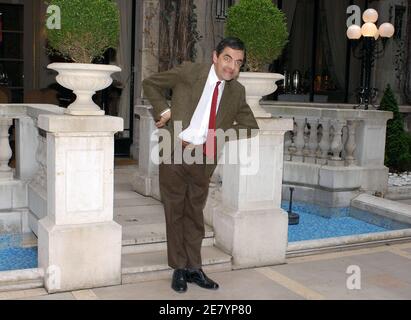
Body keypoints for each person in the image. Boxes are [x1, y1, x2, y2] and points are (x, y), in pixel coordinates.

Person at [142, 37, 258, 293]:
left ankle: (194, 268)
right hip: (174, 152)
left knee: (194, 215)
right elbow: (150, 84)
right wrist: (162, 110)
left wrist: (217, 138)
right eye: (227, 58)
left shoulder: (236, 92)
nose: (232, 66)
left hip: (203, 160)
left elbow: (251, 127)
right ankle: (179, 269)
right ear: (215, 57)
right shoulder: (189, 72)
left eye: (238, 62)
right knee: (175, 213)